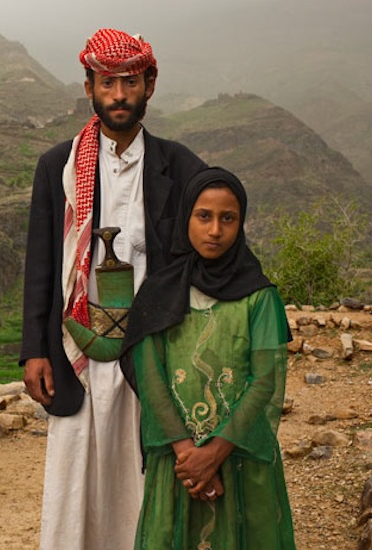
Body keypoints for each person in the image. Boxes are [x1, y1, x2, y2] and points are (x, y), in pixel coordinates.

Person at [20, 28, 208, 549]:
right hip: (78, 342)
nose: (119, 95)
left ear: (150, 84)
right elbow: (41, 264)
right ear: (89, 87)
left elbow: (204, 254)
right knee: (76, 472)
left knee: (142, 474)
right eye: (108, 83)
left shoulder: (180, 165)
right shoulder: (58, 166)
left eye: (130, 82)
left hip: (152, 348)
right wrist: (33, 351)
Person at [121, 167, 296, 549]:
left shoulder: (260, 297)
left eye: (227, 218)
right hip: (178, 462)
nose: (215, 230)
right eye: (204, 216)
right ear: (187, 218)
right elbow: (150, 378)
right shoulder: (158, 293)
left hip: (239, 456)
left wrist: (215, 453)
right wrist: (189, 455)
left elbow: (265, 379)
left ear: (241, 223)